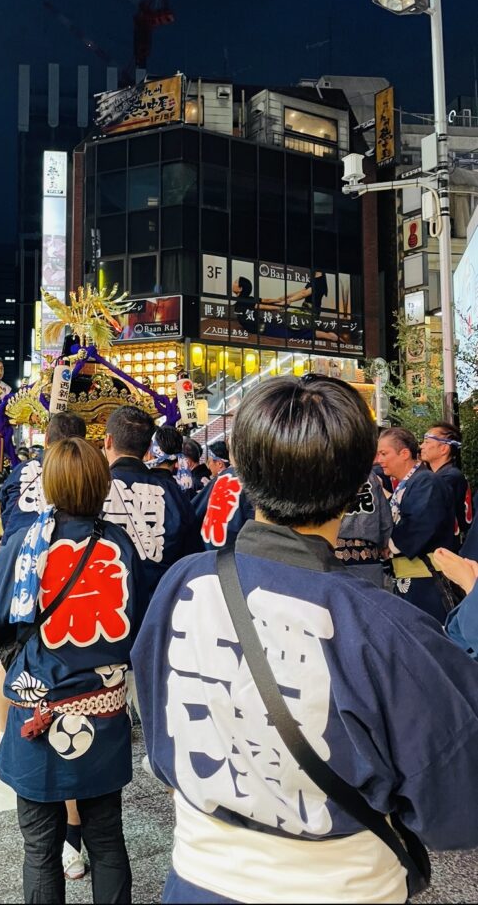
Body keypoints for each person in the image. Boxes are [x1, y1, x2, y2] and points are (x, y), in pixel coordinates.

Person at [132, 373, 478, 904]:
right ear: (357, 482)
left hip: (195, 880)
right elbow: (456, 810)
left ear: (243, 471)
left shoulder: (183, 583)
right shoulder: (386, 627)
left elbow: (156, 721)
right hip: (340, 888)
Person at [0, 437, 145, 905]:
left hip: (38, 717)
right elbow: (138, 622)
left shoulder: (28, 545)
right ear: (102, 485)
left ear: (49, 485)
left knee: (40, 850)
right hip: (103, 714)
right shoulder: (120, 544)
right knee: (107, 840)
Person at [103, 405, 204, 598]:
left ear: (108, 440)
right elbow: (192, 556)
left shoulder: (94, 488)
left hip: (109, 604)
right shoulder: (174, 493)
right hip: (161, 602)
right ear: (149, 447)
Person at [376, 426, 456, 622]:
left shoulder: (427, 481)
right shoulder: (411, 482)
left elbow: (418, 525)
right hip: (410, 576)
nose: (379, 460)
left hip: (428, 578)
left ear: (404, 454)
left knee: (427, 631)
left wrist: (388, 546)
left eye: (384, 454)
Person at [0, 412, 86, 545]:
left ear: (46, 439)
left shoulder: (21, 470)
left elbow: (5, 508)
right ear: (83, 444)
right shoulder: (86, 474)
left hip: (14, 547)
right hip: (63, 548)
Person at [334, 470, 393, 587]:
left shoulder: (322, 470)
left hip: (330, 555)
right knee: (369, 597)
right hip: (368, 556)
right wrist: (384, 545)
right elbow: (385, 521)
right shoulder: (369, 474)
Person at [419, 421, 472, 549]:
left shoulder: (448, 478)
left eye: (427, 442)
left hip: (449, 548)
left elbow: (424, 513)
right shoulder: (448, 474)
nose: (421, 446)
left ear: (444, 448)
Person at [195, 449, 255, 552]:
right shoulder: (256, 481)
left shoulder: (222, 478)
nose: (208, 466)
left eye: (209, 462)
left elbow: (195, 511)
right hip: (239, 553)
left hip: (212, 551)